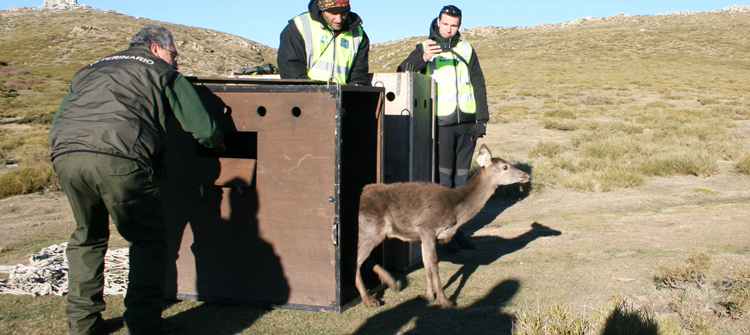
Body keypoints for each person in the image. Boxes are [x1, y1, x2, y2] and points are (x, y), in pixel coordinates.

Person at [49, 25, 224, 335]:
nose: (177, 63)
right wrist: (220, 147)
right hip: (121, 157)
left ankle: (82, 323)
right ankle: (143, 324)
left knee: (87, 237)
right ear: (157, 49)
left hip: (66, 154)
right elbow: (205, 131)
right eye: (175, 55)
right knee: (147, 240)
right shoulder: (161, 71)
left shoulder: (90, 69)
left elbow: (61, 115)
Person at [397, 5, 489, 253]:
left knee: (462, 183)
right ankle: (442, 235)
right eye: (445, 24)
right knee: (444, 183)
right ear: (438, 21)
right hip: (442, 124)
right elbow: (403, 72)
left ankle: (458, 233)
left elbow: (478, 83)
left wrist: (482, 119)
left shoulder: (466, 49)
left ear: (459, 25)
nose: (449, 29)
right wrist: (422, 58)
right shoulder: (426, 47)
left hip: (467, 124)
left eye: (454, 25)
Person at [277, 0, 370, 85]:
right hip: (304, 97)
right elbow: (291, 70)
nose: (339, 19)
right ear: (321, 9)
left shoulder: (359, 34)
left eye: (343, 12)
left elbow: (358, 76)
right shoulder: (299, 27)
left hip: (341, 98)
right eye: (333, 13)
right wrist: (313, 94)